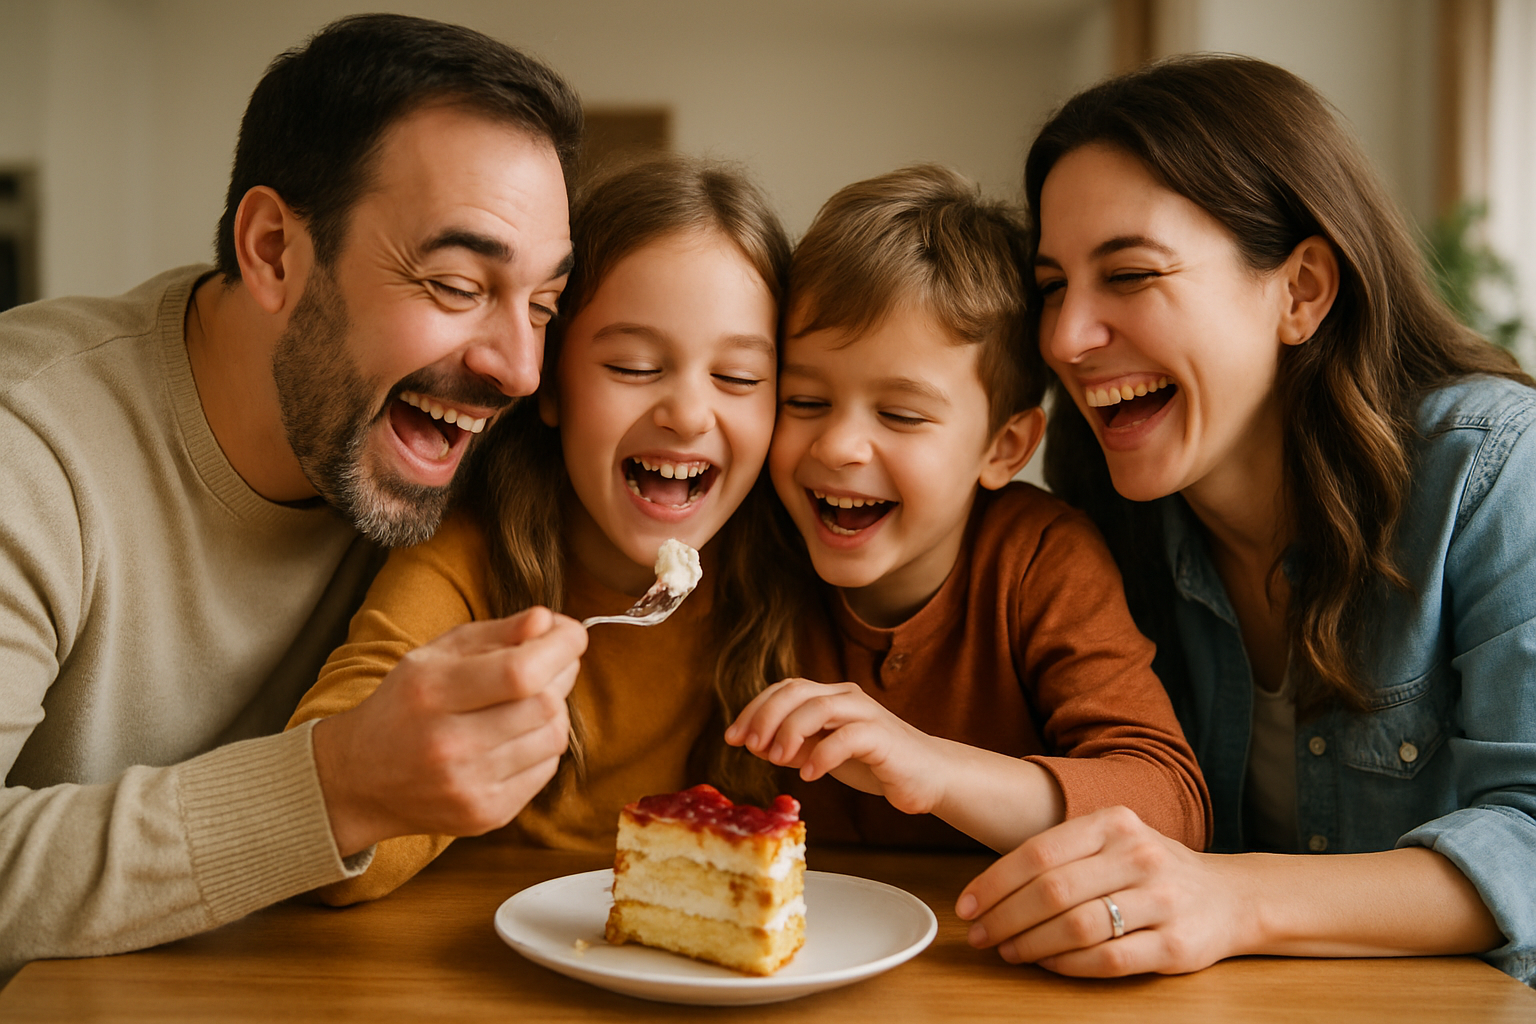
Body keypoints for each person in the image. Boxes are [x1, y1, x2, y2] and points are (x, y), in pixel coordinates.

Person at [0, 15, 589, 975]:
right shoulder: (26, 444)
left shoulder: (480, 455)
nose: (520, 368)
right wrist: (335, 786)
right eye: (453, 284)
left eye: (542, 304)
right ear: (274, 248)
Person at [956, 55, 1535, 985]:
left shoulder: (1495, 468)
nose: (1064, 338)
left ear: (1300, 290)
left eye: (1131, 274)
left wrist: (1231, 895)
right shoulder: (1099, 511)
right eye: (1054, 285)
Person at [285, 157, 801, 903]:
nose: (688, 414)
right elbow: (326, 840)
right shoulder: (468, 556)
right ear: (552, 385)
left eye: (740, 379)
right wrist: (433, 752)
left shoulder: (792, 565)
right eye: (631, 366)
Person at [724, 165, 1210, 855]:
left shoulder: (1042, 559)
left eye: (900, 413)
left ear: (1004, 448)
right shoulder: (748, 544)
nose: (836, 445)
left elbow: (1172, 807)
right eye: (804, 402)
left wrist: (934, 770)